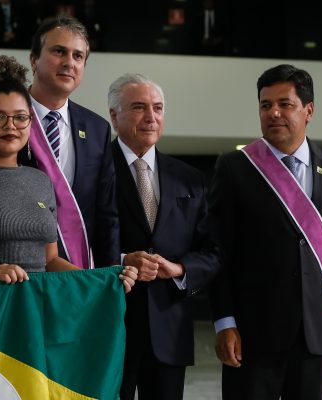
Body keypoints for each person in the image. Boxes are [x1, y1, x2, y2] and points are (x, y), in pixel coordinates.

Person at [208, 64, 322, 399]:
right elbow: (219, 249)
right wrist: (224, 321)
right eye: (265, 105)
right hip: (253, 333)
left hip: (317, 331)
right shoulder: (235, 168)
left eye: (285, 104)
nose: (274, 113)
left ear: (308, 111)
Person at [0, 55, 136, 292]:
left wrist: (102, 279)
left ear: (31, 123)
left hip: (35, 314)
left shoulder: (41, 182)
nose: (10, 125)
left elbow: (50, 260)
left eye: (20, 117)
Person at [0, 15, 119, 270]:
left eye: (78, 56)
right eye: (59, 51)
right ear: (34, 60)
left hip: (77, 269)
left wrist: (107, 280)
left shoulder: (97, 129)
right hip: (4, 269)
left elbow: (106, 214)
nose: (69, 62)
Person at [109, 74, 221, 400]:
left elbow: (213, 250)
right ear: (114, 116)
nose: (151, 117)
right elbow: (77, 242)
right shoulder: (94, 171)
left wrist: (180, 269)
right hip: (109, 325)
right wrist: (120, 261)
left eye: (158, 108)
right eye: (139, 107)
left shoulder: (190, 179)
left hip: (169, 330)